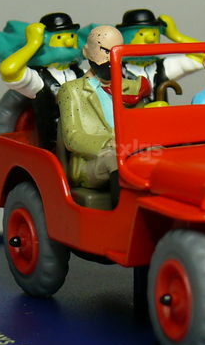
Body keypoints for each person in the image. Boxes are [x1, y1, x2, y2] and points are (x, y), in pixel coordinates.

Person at [56, 25, 144, 209]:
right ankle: (122, 214)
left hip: (132, 149)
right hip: (91, 161)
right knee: (115, 158)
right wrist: (109, 142)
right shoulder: (72, 90)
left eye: (117, 51)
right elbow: (72, 138)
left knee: (159, 154)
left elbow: (141, 125)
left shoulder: (132, 87)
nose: (111, 58)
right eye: (105, 51)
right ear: (87, 52)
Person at [0, 13, 94, 151]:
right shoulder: (38, 81)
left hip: (90, 142)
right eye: (59, 38)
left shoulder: (82, 74)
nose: (68, 42)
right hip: (57, 149)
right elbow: (9, 70)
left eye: (72, 36)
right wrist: (32, 44)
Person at [115, 8, 205, 103]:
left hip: (161, 123)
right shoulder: (116, 70)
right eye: (141, 34)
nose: (150, 39)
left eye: (154, 34)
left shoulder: (162, 67)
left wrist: (176, 36)